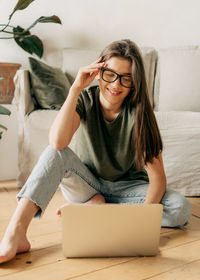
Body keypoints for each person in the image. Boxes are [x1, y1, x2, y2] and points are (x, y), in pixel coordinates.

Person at [0, 39, 191, 264]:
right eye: (110, 74)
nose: (116, 85)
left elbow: (157, 178)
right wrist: (75, 88)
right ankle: (16, 232)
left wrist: (143, 220)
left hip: (128, 189)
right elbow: (57, 142)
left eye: (126, 78)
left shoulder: (139, 112)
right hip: (87, 186)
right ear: (99, 72)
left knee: (181, 207)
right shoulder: (84, 99)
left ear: (134, 83)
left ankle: (99, 209)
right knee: (54, 153)